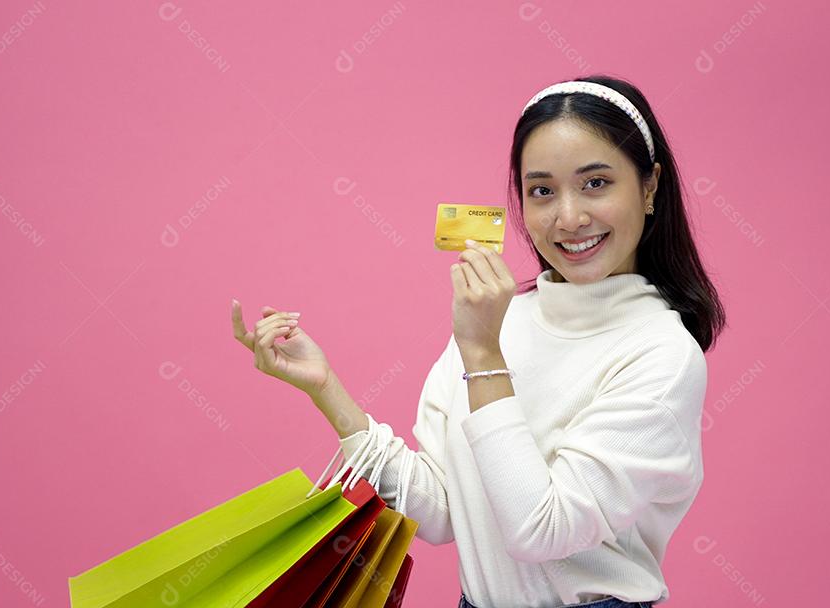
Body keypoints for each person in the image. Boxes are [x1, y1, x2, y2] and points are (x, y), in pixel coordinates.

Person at [231, 74, 726, 608]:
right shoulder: (499, 320)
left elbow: (542, 531)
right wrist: (325, 388)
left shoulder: (661, 354)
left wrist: (484, 354)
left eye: (596, 183)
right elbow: (444, 510)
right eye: (542, 190)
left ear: (649, 186)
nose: (568, 217)